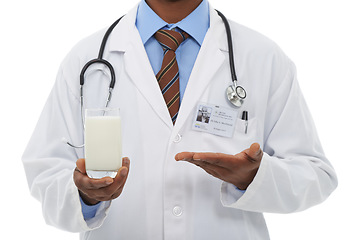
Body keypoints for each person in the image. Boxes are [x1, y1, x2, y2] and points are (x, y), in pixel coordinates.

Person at [22, 0, 338, 239]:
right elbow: (45, 171)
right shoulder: (87, 58)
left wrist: (253, 178)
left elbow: (315, 174)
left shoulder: (262, 57)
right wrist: (86, 195)